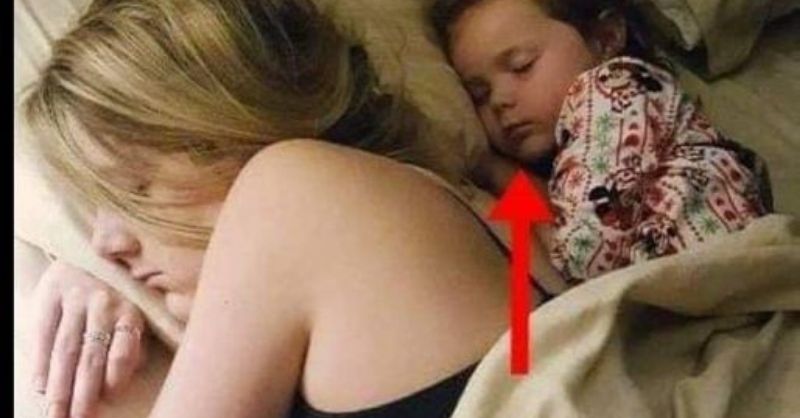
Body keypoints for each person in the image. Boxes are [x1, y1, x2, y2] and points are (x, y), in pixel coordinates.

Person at [24, 1, 542, 417]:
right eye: (97, 208)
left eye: (134, 186)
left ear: (232, 125)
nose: (105, 243)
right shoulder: (455, 220)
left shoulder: (293, 187)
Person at [430, 0, 773, 284]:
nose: (500, 100)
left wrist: (500, 174)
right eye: (480, 94)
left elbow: (586, 256)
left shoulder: (615, 89)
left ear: (605, 40)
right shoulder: (574, 154)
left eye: (522, 66)